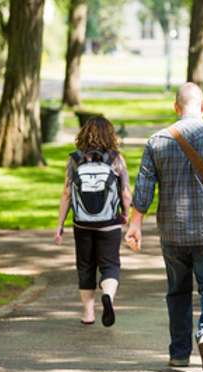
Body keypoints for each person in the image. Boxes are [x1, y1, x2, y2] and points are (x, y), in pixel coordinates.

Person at [125, 82, 203, 372]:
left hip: (172, 230)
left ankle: (179, 353)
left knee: (177, 291)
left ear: (176, 107)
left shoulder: (157, 141)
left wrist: (136, 225)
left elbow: (143, 187)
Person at [55, 116, 132, 327]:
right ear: (110, 135)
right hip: (109, 222)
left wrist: (60, 226)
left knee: (85, 265)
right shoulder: (116, 159)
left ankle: (88, 313)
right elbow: (125, 193)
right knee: (110, 264)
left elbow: (66, 194)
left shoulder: (74, 159)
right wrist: (126, 215)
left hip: (83, 224)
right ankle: (107, 294)